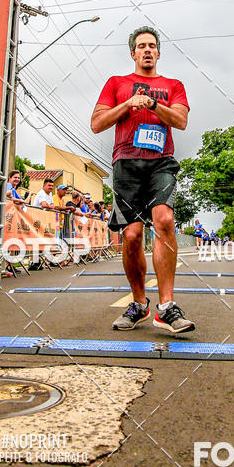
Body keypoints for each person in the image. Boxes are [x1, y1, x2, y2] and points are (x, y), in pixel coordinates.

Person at [91, 26, 194, 333]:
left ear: (158, 53)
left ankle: (167, 307)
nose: (147, 50)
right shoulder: (116, 83)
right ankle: (139, 304)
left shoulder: (173, 85)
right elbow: (97, 123)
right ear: (133, 53)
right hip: (126, 162)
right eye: (141, 46)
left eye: (152, 46)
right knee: (133, 235)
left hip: (161, 162)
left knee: (164, 220)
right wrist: (128, 104)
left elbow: (181, 120)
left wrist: (153, 104)